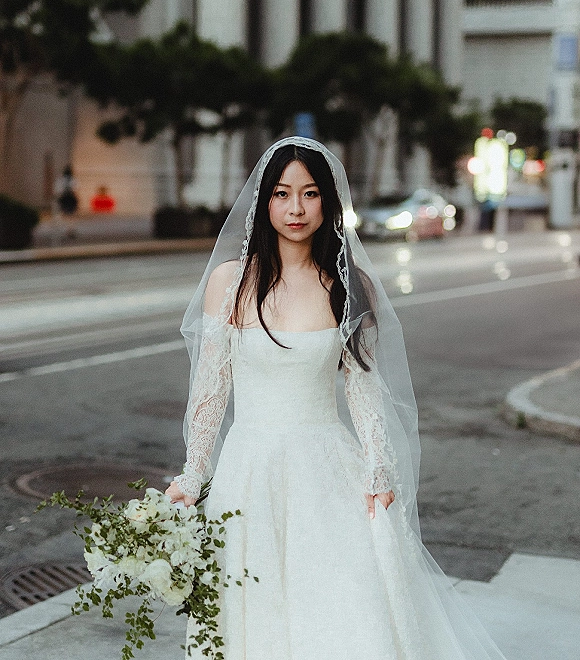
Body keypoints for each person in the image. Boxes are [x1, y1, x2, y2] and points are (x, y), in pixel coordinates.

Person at [166, 137, 508, 660]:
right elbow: (210, 392)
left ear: (328, 201)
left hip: (326, 466)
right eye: (282, 194)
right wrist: (193, 474)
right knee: (250, 606)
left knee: (339, 605)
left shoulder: (348, 287)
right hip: (249, 470)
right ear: (265, 202)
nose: (296, 209)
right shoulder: (229, 283)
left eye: (309, 194)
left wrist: (378, 467)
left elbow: (364, 388)